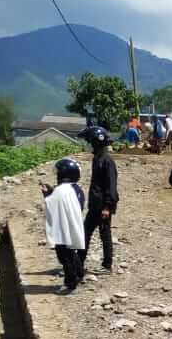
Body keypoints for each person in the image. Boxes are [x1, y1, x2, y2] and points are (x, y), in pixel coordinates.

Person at [39, 158, 86, 294]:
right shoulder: (75, 188)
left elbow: (53, 204)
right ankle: (79, 274)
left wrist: (47, 194)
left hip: (62, 228)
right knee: (72, 253)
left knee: (65, 256)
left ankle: (70, 284)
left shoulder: (61, 190)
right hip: (73, 225)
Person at [78, 125, 119, 274]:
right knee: (86, 232)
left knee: (104, 234)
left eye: (89, 142)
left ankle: (107, 265)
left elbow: (111, 186)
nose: (88, 145)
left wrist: (107, 206)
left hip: (102, 206)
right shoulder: (97, 158)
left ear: (96, 142)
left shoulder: (107, 161)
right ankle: (79, 263)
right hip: (95, 205)